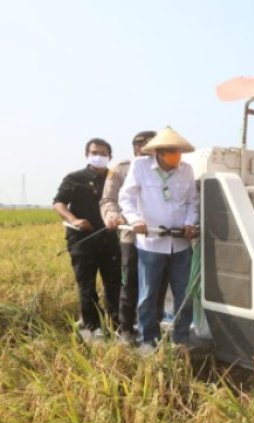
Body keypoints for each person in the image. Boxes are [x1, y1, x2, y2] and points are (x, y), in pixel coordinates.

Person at [119, 127, 199, 352]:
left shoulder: (186, 170)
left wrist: (190, 223)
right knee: (148, 295)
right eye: (172, 151)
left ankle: (181, 339)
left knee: (185, 294)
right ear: (159, 153)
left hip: (180, 244)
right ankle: (148, 341)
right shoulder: (140, 167)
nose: (177, 155)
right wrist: (135, 220)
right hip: (151, 243)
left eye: (179, 151)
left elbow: (193, 201)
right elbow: (126, 197)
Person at [100, 130, 170, 345]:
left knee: (157, 287)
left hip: (160, 238)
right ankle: (126, 330)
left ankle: (153, 329)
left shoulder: (168, 170)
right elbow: (108, 200)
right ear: (135, 147)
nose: (145, 149)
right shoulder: (121, 170)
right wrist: (112, 215)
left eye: (151, 145)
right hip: (131, 238)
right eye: (141, 145)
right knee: (129, 285)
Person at [53, 138, 121, 341]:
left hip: (109, 239)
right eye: (94, 152)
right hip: (82, 241)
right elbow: (58, 203)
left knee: (115, 284)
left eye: (103, 153)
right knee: (87, 286)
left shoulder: (114, 179)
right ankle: (93, 326)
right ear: (87, 155)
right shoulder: (75, 178)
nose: (98, 156)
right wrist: (74, 220)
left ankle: (118, 325)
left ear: (110, 157)